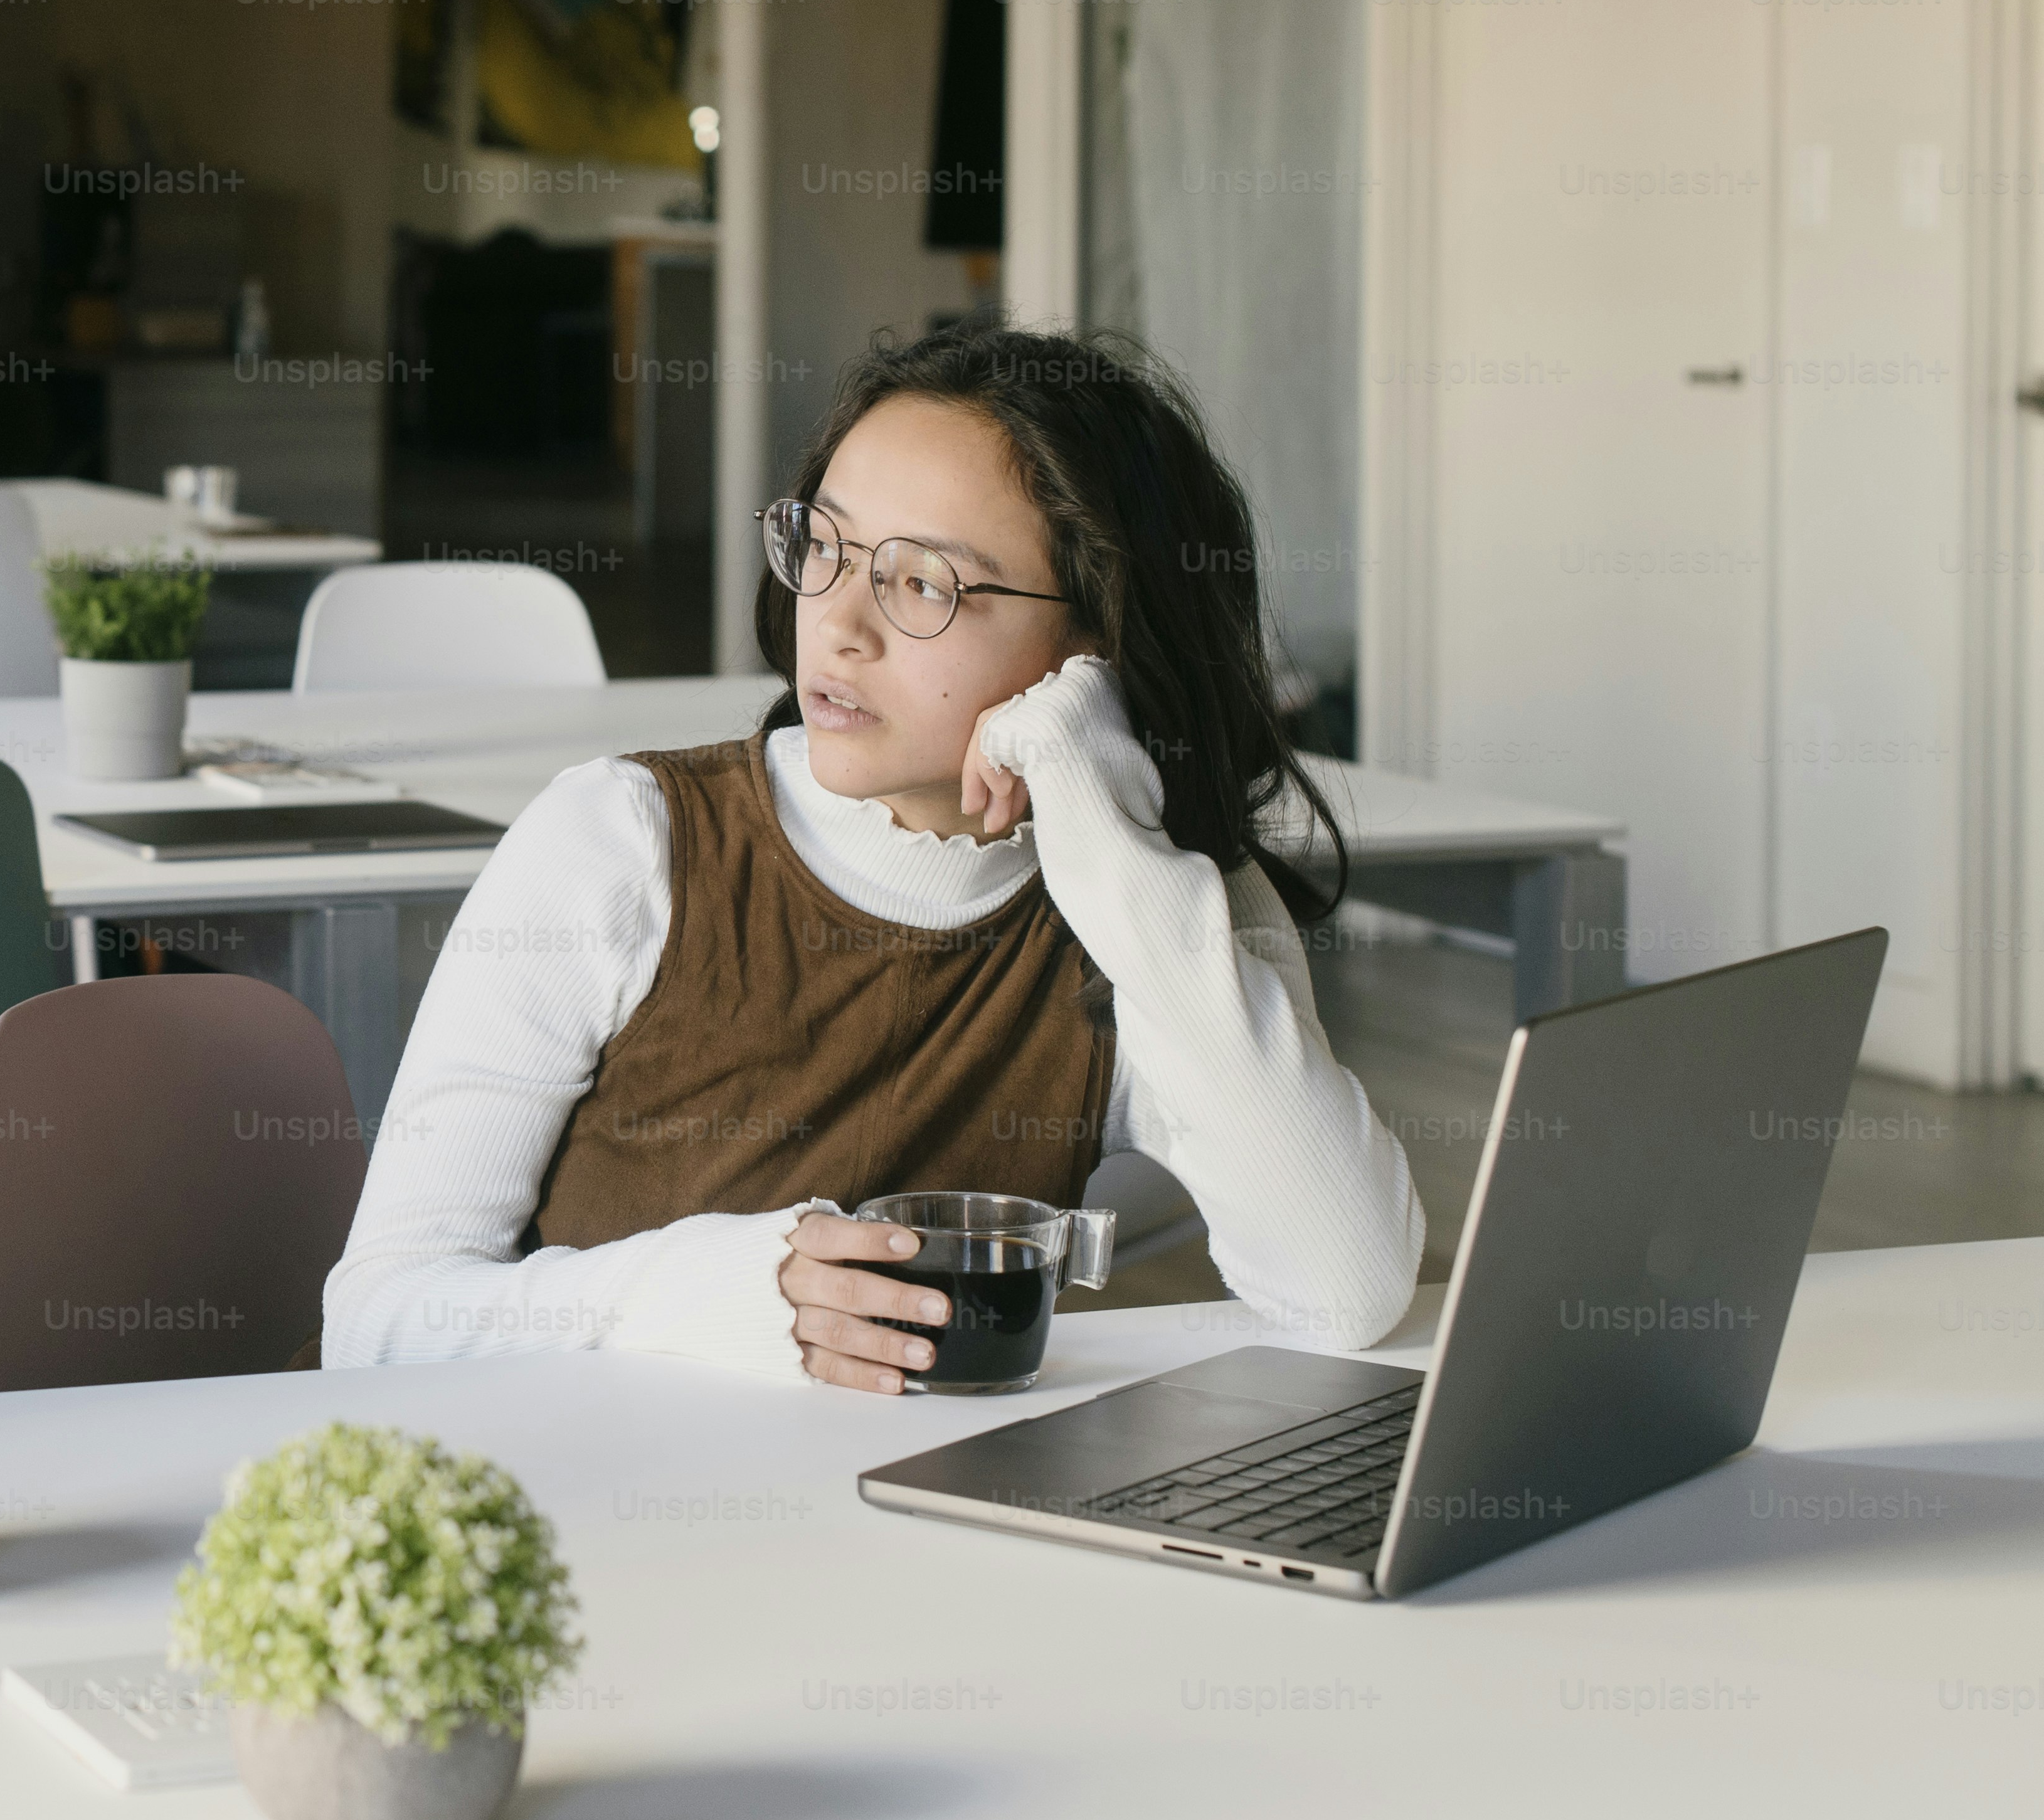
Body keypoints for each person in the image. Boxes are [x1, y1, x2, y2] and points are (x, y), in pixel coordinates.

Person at [323, 324, 1422, 1388]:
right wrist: (727, 1291)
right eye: (827, 546)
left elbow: (1348, 1288)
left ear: (1095, 643)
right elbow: (377, 1326)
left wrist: (1118, 850)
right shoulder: (621, 844)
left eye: (924, 583)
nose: (838, 622)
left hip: (901, 1532)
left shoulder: (1154, 907)